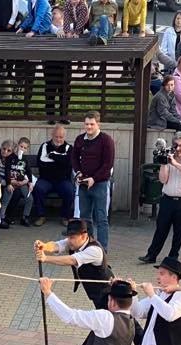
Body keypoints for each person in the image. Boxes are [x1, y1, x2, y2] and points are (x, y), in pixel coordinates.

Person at [138, 132, 181, 264]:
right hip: (167, 200)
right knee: (161, 229)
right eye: (176, 145)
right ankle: (151, 255)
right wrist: (165, 163)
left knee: (179, 231)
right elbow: (163, 180)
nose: (178, 148)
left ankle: (173, 256)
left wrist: (175, 163)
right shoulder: (169, 160)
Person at [35, 218, 112, 309]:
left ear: (83, 236)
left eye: (72, 237)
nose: (69, 240)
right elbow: (57, 245)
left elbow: (72, 260)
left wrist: (46, 258)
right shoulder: (73, 242)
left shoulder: (94, 250)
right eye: (68, 236)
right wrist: (44, 246)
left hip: (107, 294)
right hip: (95, 293)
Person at [71, 111, 115, 250]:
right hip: (83, 184)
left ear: (98, 124)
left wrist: (94, 178)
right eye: (86, 124)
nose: (89, 127)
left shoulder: (106, 140)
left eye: (92, 124)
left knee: (101, 218)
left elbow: (108, 164)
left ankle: (102, 249)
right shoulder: (79, 139)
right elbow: (74, 158)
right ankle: (88, 246)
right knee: (85, 218)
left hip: (100, 183)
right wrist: (78, 173)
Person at [32, 126, 75, 226]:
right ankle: (41, 216)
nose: (59, 139)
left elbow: (69, 163)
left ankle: (65, 216)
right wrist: (60, 161)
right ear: (52, 135)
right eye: (56, 137)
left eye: (61, 137)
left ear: (64, 136)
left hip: (63, 180)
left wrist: (52, 156)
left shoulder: (69, 148)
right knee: (38, 188)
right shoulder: (45, 146)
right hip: (46, 179)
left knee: (70, 190)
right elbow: (42, 163)